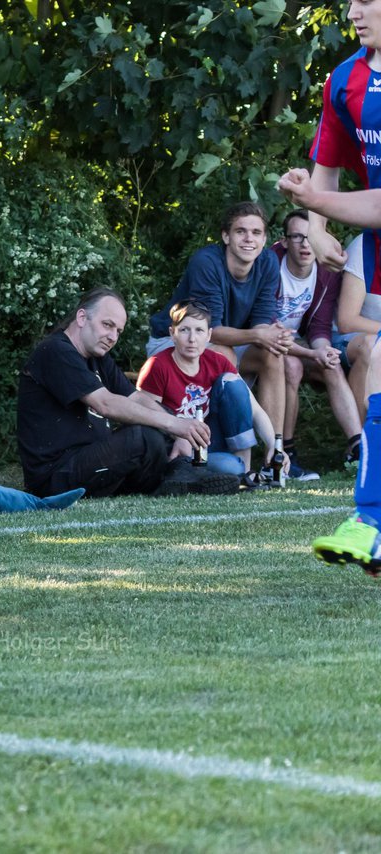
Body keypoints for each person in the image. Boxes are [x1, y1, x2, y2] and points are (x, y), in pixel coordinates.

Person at [276, 0, 381, 570]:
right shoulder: (346, 79)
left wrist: (314, 205)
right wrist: (315, 231)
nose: (354, 9)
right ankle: (372, 521)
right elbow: (330, 164)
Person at [19, 289, 239, 499]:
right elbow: (106, 403)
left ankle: (180, 480)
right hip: (55, 476)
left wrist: (177, 428)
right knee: (142, 436)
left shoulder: (97, 357)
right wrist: (172, 425)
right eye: (107, 325)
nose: (113, 336)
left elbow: (136, 398)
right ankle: (181, 478)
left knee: (155, 430)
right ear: (82, 317)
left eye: (118, 331)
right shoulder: (55, 351)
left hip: (93, 463)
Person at [146, 202, 290, 442]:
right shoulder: (207, 262)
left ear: (264, 239)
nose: (248, 239)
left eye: (256, 233)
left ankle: (275, 453)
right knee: (222, 355)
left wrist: (273, 336)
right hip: (175, 340)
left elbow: (261, 322)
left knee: (273, 354)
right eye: (240, 231)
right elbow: (210, 331)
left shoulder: (268, 262)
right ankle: (220, 444)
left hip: (226, 342)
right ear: (226, 236)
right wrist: (258, 336)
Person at [135, 301, 275, 484]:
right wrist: (177, 434)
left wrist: (273, 445)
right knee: (229, 468)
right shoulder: (157, 365)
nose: (192, 339)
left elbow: (253, 408)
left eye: (199, 330)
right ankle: (217, 474)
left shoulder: (218, 362)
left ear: (209, 335)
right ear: (172, 334)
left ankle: (244, 472)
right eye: (184, 330)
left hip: (210, 442)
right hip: (178, 446)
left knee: (233, 384)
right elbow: (143, 411)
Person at [272, 209, 360, 478]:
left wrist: (322, 350)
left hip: (297, 341)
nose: (305, 244)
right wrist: (311, 351)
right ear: (284, 241)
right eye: (297, 237)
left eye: (310, 237)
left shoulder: (327, 271)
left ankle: (359, 448)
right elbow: (267, 324)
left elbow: (319, 325)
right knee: (292, 366)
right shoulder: (269, 263)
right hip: (263, 337)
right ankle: (286, 453)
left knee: (330, 364)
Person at [335, 233, 377, 447]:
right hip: (346, 342)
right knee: (371, 346)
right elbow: (346, 321)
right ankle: (365, 447)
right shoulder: (366, 246)